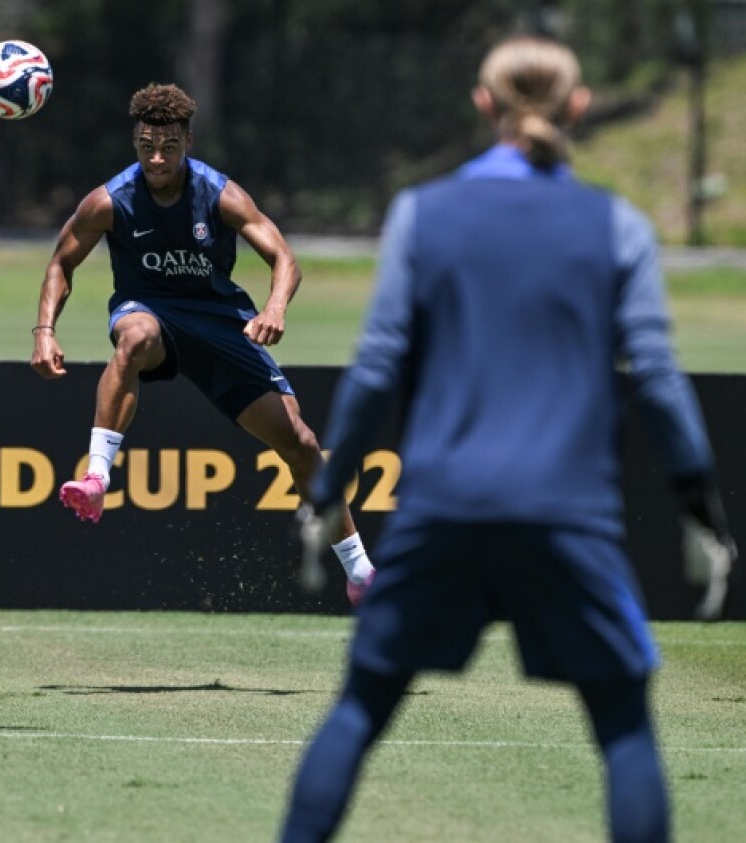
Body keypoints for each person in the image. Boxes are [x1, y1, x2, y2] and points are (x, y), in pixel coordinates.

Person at [279, 36, 736, 843]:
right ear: (581, 107)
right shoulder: (617, 226)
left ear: (483, 105)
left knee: (361, 707)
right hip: (567, 516)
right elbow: (660, 378)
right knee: (625, 727)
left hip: (441, 511)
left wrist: (325, 495)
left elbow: (378, 367)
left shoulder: (424, 213)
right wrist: (703, 511)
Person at [29, 82, 376, 603]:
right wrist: (45, 331)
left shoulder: (219, 193)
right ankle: (97, 477)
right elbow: (61, 262)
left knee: (301, 443)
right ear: (135, 141)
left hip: (221, 324)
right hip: (151, 314)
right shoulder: (110, 200)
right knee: (133, 337)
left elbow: (285, 259)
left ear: (188, 140)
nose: (158, 158)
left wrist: (275, 308)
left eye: (168, 146)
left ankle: (359, 572)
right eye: (146, 147)